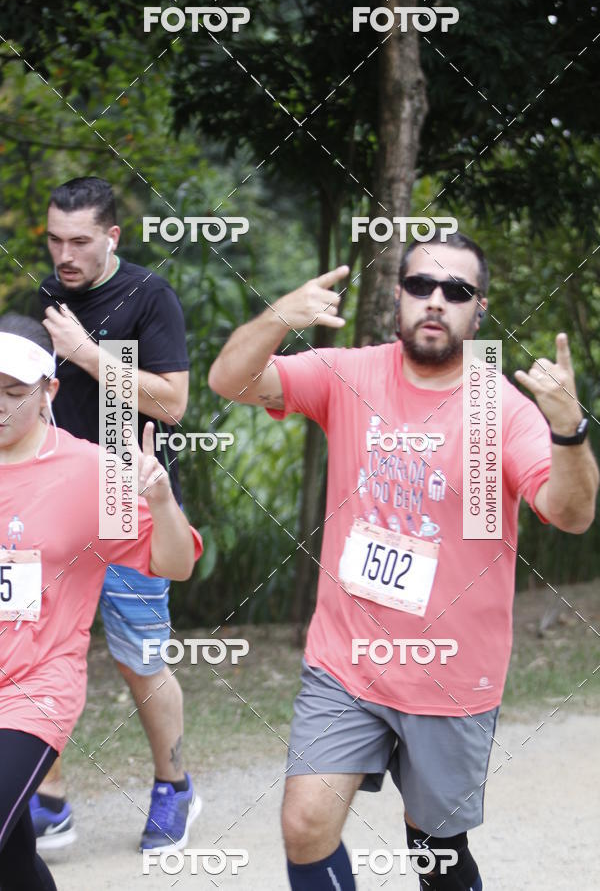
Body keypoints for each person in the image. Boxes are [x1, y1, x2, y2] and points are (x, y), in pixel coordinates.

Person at [208, 231, 598, 890]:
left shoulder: (500, 408)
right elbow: (229, 381)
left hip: (452, 674)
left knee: (435, 849)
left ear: (480, 309)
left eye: (457, 290)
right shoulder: (348, 374)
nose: (436, 300)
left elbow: (572, 513)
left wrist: (570, 431)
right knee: (305, 825)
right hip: (346, 662)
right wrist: (277, 317)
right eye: (421, 285)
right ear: (398, 295)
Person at [0, 314, 203, 891]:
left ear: (48, 391)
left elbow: (176, 563)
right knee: (12, 860)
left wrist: (160, 500)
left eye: (14, 392)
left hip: (35, 688)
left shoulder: (92, 472)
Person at [30, 176, 196, 853]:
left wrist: (87, 354)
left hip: (130, 506)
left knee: (139, 659)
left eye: (79, 241)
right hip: (52, 510)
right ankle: (47, 799)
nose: (64, 255)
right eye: (54, 240)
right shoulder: (46, 297)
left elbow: (173, 402)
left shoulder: (150, 296)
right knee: (32, 655)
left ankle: (174, 786)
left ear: (112, 236)